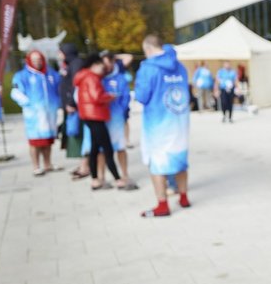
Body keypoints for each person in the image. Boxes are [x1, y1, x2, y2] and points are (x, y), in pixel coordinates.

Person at [135, 34, 191, 217]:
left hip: (157, 124)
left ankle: (162, 205)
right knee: (180, 159)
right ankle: (183, 197)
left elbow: (142, 97)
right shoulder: (180, 66)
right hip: (180, 121)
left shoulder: (147, 68)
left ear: (149, 49)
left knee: (157, 164)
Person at [81, 51, 138, 190]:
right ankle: (101, 177)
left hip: (116, 118)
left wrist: (122, 111)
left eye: (108, 63)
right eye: (103, 63)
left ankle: (124, 175)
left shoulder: (120, 78)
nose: (105, 67)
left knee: (120, 148)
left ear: (113, 62)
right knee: (100, 149)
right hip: (99, 119)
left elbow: (125, 97)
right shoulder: (95, 77)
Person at [11, 50, 62, 176]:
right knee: (35, 141)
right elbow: (15, 92)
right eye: (34, 60)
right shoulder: (22, 75)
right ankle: (36, 166)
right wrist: (28, 103)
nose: (37, 63)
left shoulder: (51, 74)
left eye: (39, 60)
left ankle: (48, 164)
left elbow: (60, 89)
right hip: (34, 116)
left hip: (50, 113)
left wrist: (59, 104)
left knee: (48, 140)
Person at [59, 43, 89, 178]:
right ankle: (83, 164)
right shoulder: (71, 64)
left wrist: (71, 103)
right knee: (76, 136)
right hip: (73, 107)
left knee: (80, 136)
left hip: (77, 108)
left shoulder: (76, 64)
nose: (58, 55)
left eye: (60, 52)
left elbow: (76, 85)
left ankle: (85, 166)